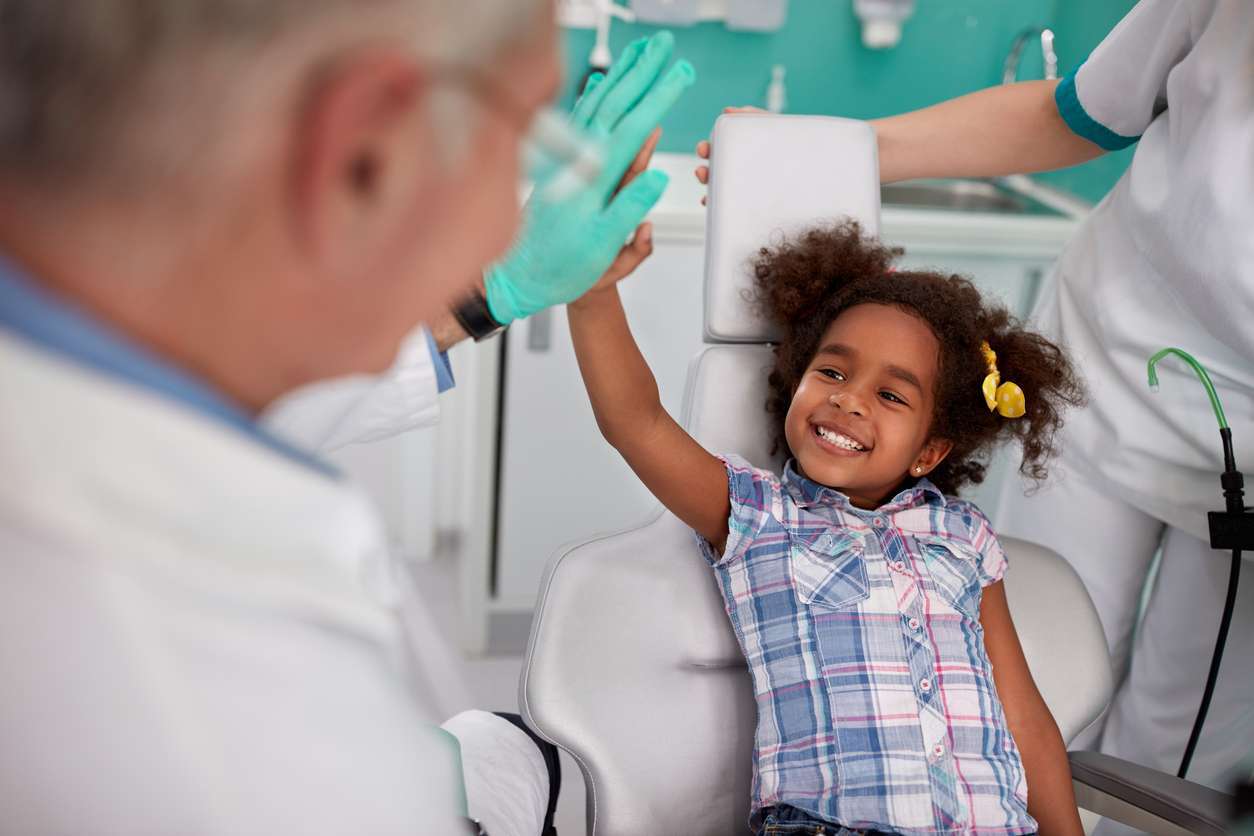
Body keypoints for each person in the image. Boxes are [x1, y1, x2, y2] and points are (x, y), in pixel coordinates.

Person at [0, 0, 693, 832]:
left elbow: (266, 408)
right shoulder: (233, 760)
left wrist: (491, 295)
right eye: (519, 141)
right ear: (365, 156)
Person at [697, 0, 1254, 810]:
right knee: (1038, 674)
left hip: (1241, 461)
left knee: (1184, 743)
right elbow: (1071, 115)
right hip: (1096, 382)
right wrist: (819, 154)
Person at [566, 218, 1086, 834]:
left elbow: (1022, 715)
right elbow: (636, 422)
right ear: (795, 379)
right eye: (832, 373)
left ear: (929, 453)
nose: (850, 399)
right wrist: (591, 287)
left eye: (892, 396)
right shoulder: (758, 514)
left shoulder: (964, 538)